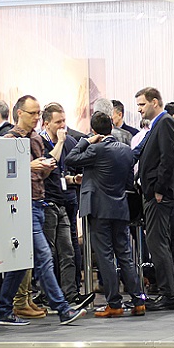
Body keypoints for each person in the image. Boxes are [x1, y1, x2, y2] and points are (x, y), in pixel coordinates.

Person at [0, 95, 87, 327]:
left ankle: (4, 310)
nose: (37, 117)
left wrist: (44, 167)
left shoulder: (36, 139)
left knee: (22, 263)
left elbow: (43, 174)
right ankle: (63, 309)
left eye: (38, 113)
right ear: (19, 113)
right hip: (20, 206)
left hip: (38, 203)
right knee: (44, 256)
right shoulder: (8, 140)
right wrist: (29, 165)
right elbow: (2, 172)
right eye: (33, 113)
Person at [65, 112, 145, 318]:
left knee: (105, 256)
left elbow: (70, 158)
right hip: (120, 207)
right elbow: (128, 183)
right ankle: (138, 301)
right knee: (125, 254)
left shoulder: (95, 149)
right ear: (111, 127)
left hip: (99, 210)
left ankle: (114, 303)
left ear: (93, 130)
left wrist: (86, 141)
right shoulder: (126, 150)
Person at [135, 87, 174, 311]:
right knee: (157, 243)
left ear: (155, 102)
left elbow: (168, 158)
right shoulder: (158, 124)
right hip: (154, 193)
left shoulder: (165, 122)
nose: (139, 109)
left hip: (158, 195)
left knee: (157, 243)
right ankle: (167, 293)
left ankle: (167, 295)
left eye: (142, 104)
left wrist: (159, 189)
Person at [39, 103, 86, 308]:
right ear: (46, 123)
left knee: (68, 250)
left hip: (63, 201)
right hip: (46, 203)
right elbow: (49, 165)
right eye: (58, 122)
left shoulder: (69, 141)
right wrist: (59, 143)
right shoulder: (40, 142)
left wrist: (73, 179)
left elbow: (61, 173)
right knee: (48, 253)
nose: (62, 126)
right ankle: (48, 295)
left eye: (64, 121)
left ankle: (71, 293)